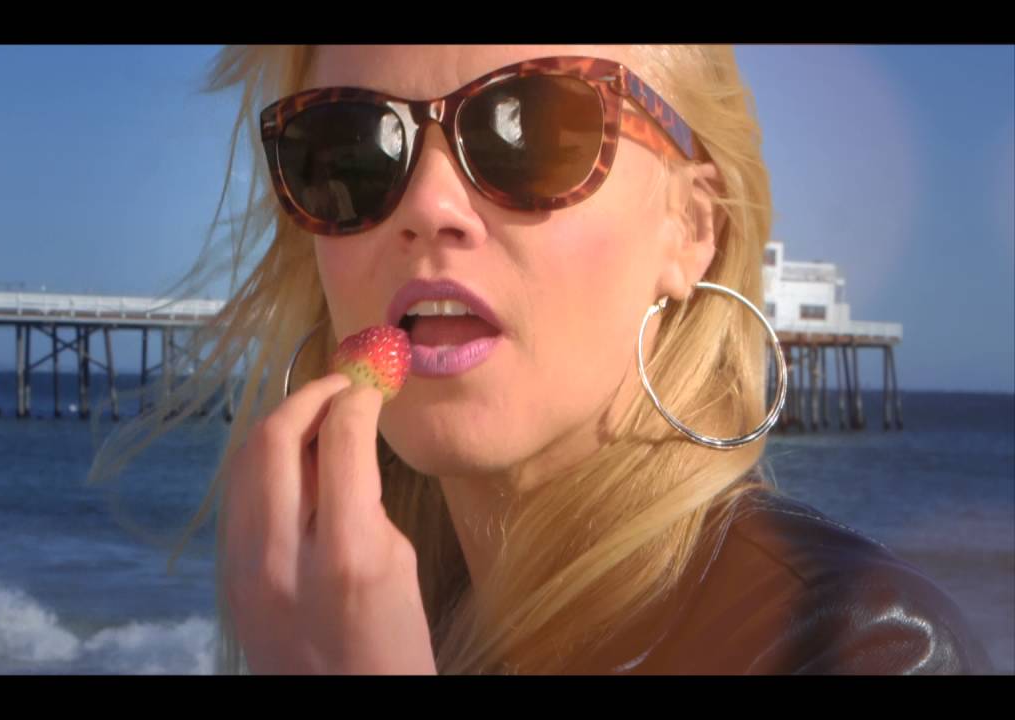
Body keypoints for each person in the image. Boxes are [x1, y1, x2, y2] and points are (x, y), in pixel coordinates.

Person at [93, 45, 994, 674]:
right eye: (351, 150)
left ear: (693, 229)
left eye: (530, 131)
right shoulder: (382, 619)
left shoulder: (856, 648)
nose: (429, 205)